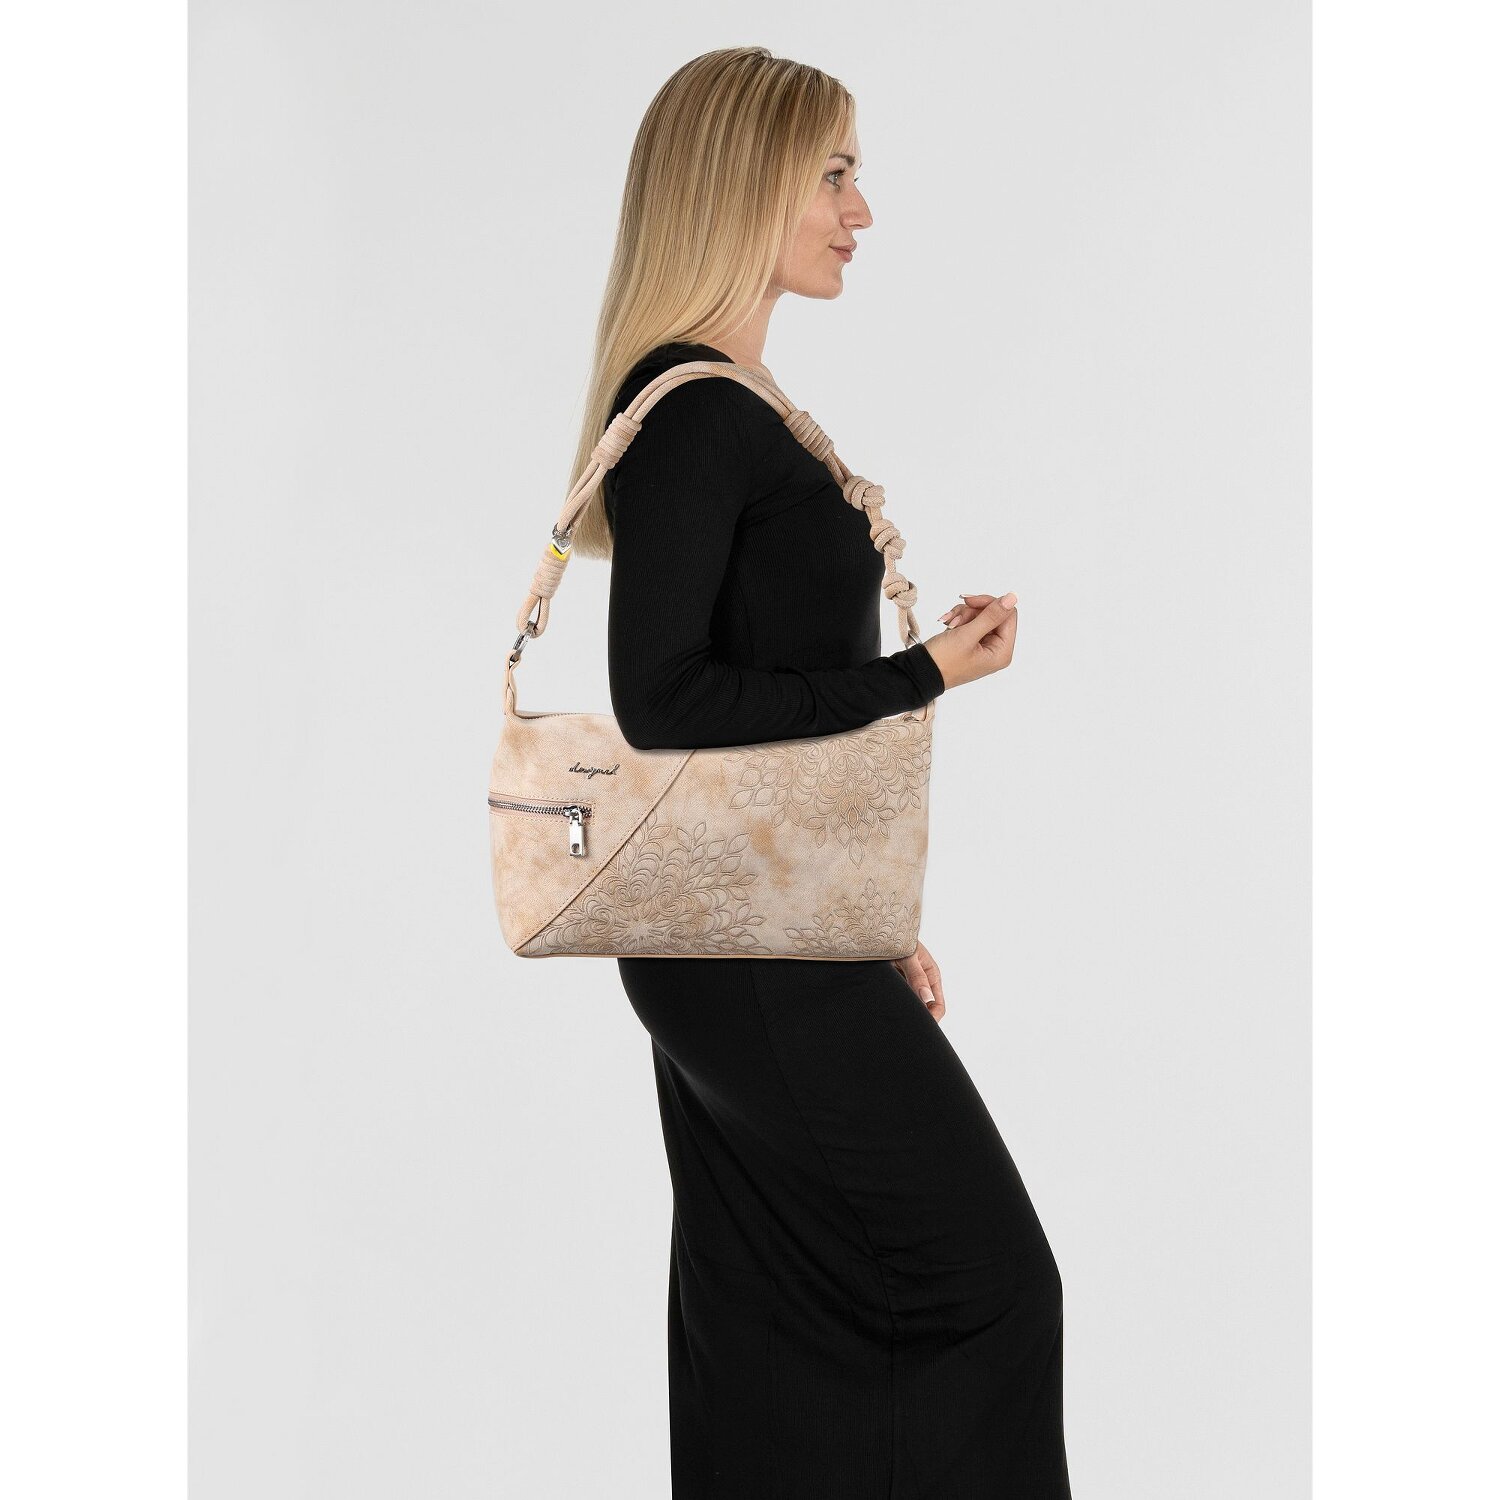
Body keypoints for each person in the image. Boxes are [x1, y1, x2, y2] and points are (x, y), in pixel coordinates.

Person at [564, 45, 1070, 1498]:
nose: (862, 211)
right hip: (739, 953)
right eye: (835, 175)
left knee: (777, 1321)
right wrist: (925, 673)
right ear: (744, 185)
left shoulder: (733, 402)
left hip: (761, 932)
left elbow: (761, 719)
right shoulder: (694, 413)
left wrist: (865, 913)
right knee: (987, 1287)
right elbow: (665, 699)